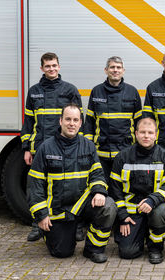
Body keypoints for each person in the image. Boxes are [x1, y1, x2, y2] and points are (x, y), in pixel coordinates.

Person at [27, 104, 116, 263]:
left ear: (80, 123)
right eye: (68, 119)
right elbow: (35, 184)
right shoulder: (46, 147)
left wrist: (99, 192)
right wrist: (41, 214)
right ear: (60, 121)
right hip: (59, 209)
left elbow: (97, 173)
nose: (71, 123)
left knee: (108, 207)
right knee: (61, 252)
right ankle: (50, 233)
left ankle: (93, 249)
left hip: (82, 204)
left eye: (75, 120)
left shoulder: (88, 145)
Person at [20, 52, 83, 242]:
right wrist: (26, 148)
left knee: (69, 186)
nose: (51, 69)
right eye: (47, 66)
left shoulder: (70, 90)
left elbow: (79, 120)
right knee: (38, 187)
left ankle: (76, 225)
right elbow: (28, 122)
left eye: (54, 65)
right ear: (42, 68)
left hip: (65, 147)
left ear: (59, 67)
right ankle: (37, 225)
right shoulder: (34, 91)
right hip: (40, 149)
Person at [109, 118, 165, 264]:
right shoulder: (122, 157)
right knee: (128, 253)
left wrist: (152, 200)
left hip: (155, 208)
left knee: (161, 211)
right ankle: (140, 234)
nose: (146, 136)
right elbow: (115, 190)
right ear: (136, 133)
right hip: (132, 213)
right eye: (143, 132)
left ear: (156, 135)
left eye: (150, 132)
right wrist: (122, 217)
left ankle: (155, 248)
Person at [84, 56, 142, 182]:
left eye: (118, 67)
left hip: (126, 153)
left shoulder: (132, 92)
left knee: (124, 188)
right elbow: (89, 122)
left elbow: (139, 125)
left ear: (123, 71)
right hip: (101, 154)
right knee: (102, 186)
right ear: (106, 70)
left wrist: (138, 149)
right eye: (112, 67)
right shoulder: (96, 91)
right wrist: (88, 148)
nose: (115, 70)